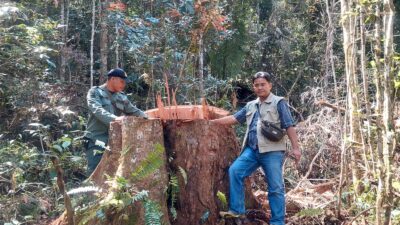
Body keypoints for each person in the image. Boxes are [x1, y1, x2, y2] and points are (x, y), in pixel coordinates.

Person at [211, 71, 301, 225]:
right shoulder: (250, 105)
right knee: (235, 171)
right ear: (253, 87)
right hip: (252, 150)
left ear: (270, 85)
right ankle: (237, 211)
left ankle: (277, 222)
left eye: (263, 84)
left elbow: (288, 125)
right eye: (257, 85)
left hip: (272, 151)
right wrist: (212, 122)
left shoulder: (279, 102)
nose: (260, 87)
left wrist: (296, 148)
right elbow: (234, 118)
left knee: (276, 187)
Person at [84, 68, 147, 174]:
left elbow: (133, 110)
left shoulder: (121, 96)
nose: (124, 85)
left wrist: (148, 117)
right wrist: (115, 118)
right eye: (122, 81)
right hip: (96, 139)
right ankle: (90, 191)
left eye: (125, 82)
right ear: (112, 79)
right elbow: (97, 109)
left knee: (112, 173)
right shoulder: (95, 92)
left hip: (114, 140)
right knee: (94, 172)